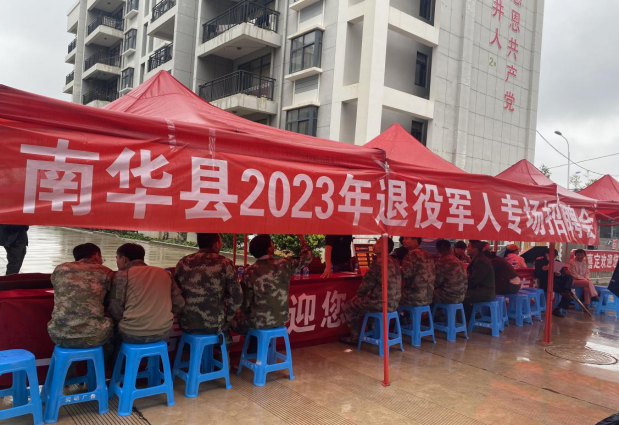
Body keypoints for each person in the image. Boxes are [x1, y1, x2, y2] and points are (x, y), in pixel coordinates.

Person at [232, 234, 312, 334]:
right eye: (272, 243)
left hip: (258, 322)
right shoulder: (284, 264)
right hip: (281, 319)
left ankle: (253, 341)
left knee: (231, 319)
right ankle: (259, 341)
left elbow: (245, 304)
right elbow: (307, 257)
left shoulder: (249, 271)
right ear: (269, 249)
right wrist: (302, 239)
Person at [108, 243, 185, 344]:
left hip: (131, 333)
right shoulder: (165, 273)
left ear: (123, 259)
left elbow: (115, 309)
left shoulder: (121, 275)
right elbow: (179, 304)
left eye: (117, 258)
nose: (117, 262)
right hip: (163, 331)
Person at [174, 233, 243, 342]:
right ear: (216, 244)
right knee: (226, 334)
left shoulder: (183, 262)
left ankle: (190, 351)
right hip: (215, 324)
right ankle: (224, 351)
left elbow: (175, 292)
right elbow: (237, 297)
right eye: (220, 242)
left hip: (186, 323)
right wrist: (228, 317)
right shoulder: (225, 263)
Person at [47, 243, 114, 352]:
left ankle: (69, 363)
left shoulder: (60, 268)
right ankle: (104, 362)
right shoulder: (105, 272)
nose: (102, 261)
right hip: (93, 337)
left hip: (58, 335)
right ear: (96, 255)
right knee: (113, 324)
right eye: (101, 257)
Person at [340, 237, 401, 345]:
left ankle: (355, 337)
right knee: (369, 304)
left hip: (380, 303)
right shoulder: (395, 261)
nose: (374, 245)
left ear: (385, 247)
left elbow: (366, 285)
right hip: (394, 303)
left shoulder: (378, 262)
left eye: (378, 243)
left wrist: (359, 295)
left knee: (349, 306)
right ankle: (373, 331)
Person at [534, 247, 574, 318]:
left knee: (569, 277)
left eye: (555, 255)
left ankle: (559, 305)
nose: (553, 256)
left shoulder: (557, 262)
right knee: (569, 294)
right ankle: (558, 308)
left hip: (556, 282)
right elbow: (536, 274)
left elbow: (562, 274)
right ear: (546, 254)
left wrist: (559, 274)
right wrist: (542, 269)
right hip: (546, 283)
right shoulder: (539, 262)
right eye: (552, 255)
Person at [463, 240, 496, 317]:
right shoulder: (478, 258)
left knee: (458, 295)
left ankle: (464, 318)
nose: (467, 249)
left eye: (469, 247)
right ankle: (468, 315)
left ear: (475, 249)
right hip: (481, 290)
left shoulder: (481, 261)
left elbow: (474, 280)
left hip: (484, 292)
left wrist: (461, 287)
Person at [400, 237, 435, 307]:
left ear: (415, 241)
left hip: (414, 296)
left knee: (393, 296)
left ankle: (403, 314)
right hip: (429, 296)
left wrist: (398, 269)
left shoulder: (411, 254)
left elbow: (405, 274)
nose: (403, 241)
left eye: (406, 238)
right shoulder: (428, 254)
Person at [433, 239, 467, 304]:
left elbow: (436, 282)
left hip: (448, 297)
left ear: (437, 250)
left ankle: (433, 310)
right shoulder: (458, 260)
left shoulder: (441, 262)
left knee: (426, 294)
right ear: (450, 249)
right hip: (461, 296)